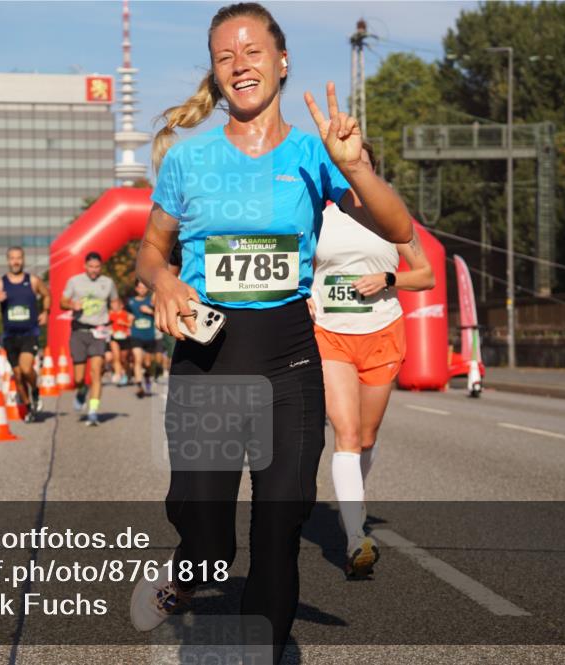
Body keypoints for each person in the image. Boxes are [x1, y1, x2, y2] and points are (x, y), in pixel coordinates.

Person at [129, 3, 413, 662]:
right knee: (210, 545)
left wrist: (359, 165)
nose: (239, 64)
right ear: (216, 72)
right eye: (225, 55)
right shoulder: (188, 158)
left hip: (288, 360)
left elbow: (399, 230)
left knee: (280, 524)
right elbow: (149, 247)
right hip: (207, 361)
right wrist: (165, 281)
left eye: (253, 50)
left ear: (282, 62)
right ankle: (185, 576)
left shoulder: (316, 153)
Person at [311, 143, 434, 578]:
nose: (347, 167)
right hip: (331, 335)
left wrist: (389, 277)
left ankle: (354, 499)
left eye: (355, 161)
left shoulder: (391, 216)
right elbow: (299, 267)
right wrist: (306, 297)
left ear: (369, 168)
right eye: (340, 162)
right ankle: (354, 537)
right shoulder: (319, 216)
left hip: (382, 331)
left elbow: (426, 274)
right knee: (344, 432)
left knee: (365, 436)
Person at [0, 247, 50, 422]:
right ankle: (29, 407)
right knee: (18, 375)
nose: (15, 261)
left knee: (26, 368)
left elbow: (46, 294)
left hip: (29, 332)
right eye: (12, 258)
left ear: (23, 260)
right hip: (10, 335)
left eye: (18, 258)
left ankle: (36, 391)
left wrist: (45, 311)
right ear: (8, 261)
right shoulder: (0, 283)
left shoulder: (33, 281)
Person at [60, 251, 121, 426]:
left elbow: (115, 303)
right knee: (79, 378)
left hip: (99, 332)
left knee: (96, 372)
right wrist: (72, 304)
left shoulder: (108, 283)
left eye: (97, 267)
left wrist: (118, 313)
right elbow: (62, 302)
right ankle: (81, 390)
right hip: (79, 331)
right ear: (85, 266)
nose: (94, 270)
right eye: (91, 267)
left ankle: (93, 411)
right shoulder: (75, 281)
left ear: (101, 267)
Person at [127, 280, 157, 397]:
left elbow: (160, 314)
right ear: (136, 289)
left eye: (144, 288)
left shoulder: (152, 301)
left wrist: (150, 311)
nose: (142, 290)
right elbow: (124, 315)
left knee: (148, 364)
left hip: (149, 336)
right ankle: (139, 386)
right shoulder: (130, 302)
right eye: (140, 288)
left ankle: (148, 380)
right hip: (136, 335)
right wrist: (128, 318)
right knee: (137, 360)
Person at [108, 298, 132, 385]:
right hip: (114, 337)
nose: (113, 306)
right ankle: (118, 374)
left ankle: (127, 372)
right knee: (116, 357)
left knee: (124, 359)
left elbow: (131, 325)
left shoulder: (126, 314)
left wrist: (124, 323)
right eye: (112, 304)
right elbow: (106, 325)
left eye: (115, 304)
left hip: (125, 338)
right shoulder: (110, 314)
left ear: (121, 305)